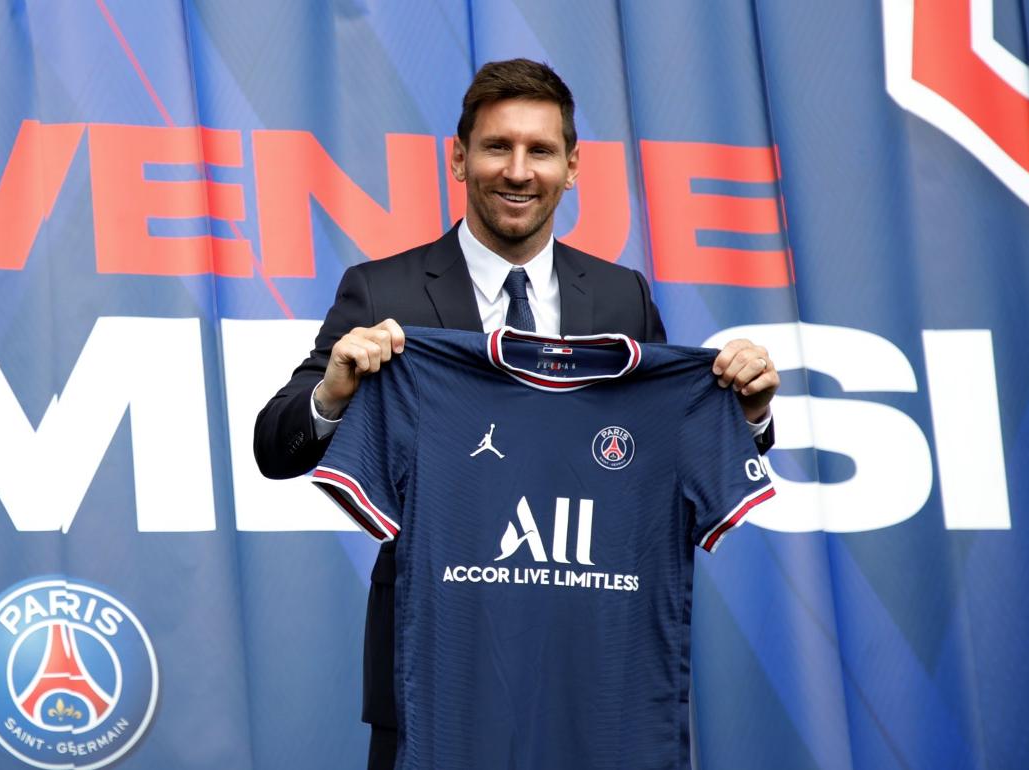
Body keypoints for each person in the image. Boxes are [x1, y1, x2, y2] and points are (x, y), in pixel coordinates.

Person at [254, 58, 779, 770]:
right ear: (459, 159)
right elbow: (275, 447)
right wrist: (335, 391)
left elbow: (664, 450)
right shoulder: (382, 291)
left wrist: (748, 416)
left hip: (587, 676)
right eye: (497, 147)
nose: (518, 171)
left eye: (541, 150)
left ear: (572, 167)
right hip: (434, 678)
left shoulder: (622, 296)